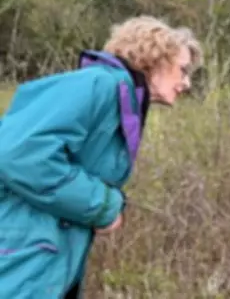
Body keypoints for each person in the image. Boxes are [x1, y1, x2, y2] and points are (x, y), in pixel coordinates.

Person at [0, 15, 203, 298]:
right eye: (182, 70)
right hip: (20, 258)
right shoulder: (97, 84)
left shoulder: (122, 97)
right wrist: (103, 206)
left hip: (43, 259)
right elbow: (18, 153)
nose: (187, 82)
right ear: (155, 57)